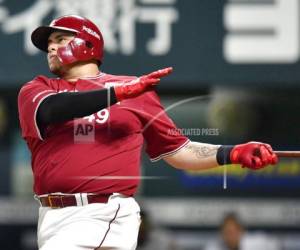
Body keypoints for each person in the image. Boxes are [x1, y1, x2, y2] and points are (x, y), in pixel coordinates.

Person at [18, 15, 278, 250]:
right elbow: (52, 110)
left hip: (103, 212)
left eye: (61, 39)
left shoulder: (135, 91)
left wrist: (232, 152)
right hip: (50, 215)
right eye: (49, 43)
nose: (51, 47)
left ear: (88, 43)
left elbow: (179, 151)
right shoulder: (38, 89)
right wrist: (118, 94)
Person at [204, 213, 281, 250]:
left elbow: (276, 244)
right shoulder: (213, 247)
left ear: (241, 231)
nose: (230, 236)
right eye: (226, 232)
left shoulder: (258, 243)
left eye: (232, 232)